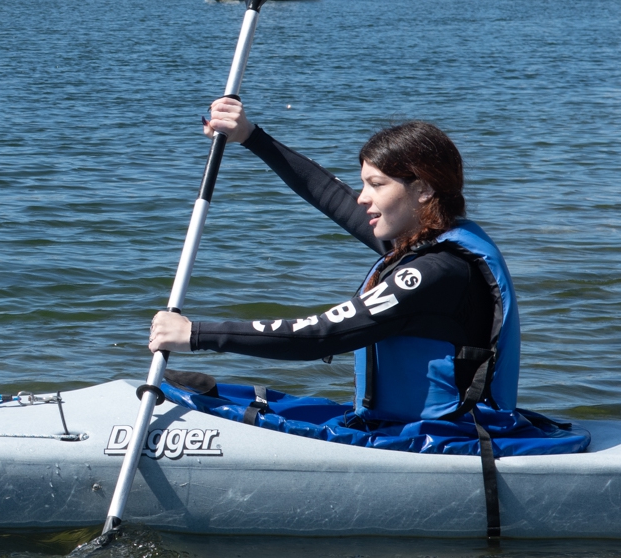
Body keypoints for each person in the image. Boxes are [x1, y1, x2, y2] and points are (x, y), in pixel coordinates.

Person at [149, 97, 519, 429]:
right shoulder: (423, 239)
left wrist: (195, 335)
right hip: (396, 427)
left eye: (376, 185)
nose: (362, 199)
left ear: (423, 190)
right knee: (206, 393)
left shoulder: (437, 272)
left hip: (443, 441)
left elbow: (321, 334)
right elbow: (329, 195)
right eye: (363, 184)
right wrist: (249, 136)